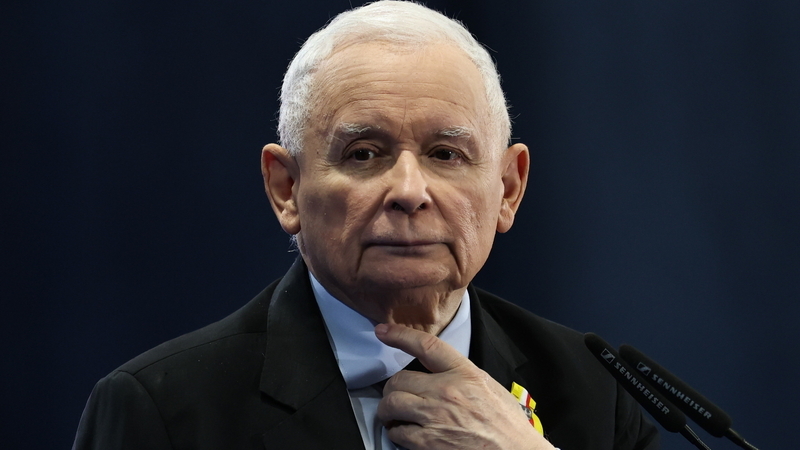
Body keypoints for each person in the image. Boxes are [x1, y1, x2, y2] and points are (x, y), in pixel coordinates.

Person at [73, 2, 659, 449]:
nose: (408, 191)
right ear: (286, 189)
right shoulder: (164, 412)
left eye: (446, 154)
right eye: (363, 154)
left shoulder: (597, 396)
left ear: (507, 189)